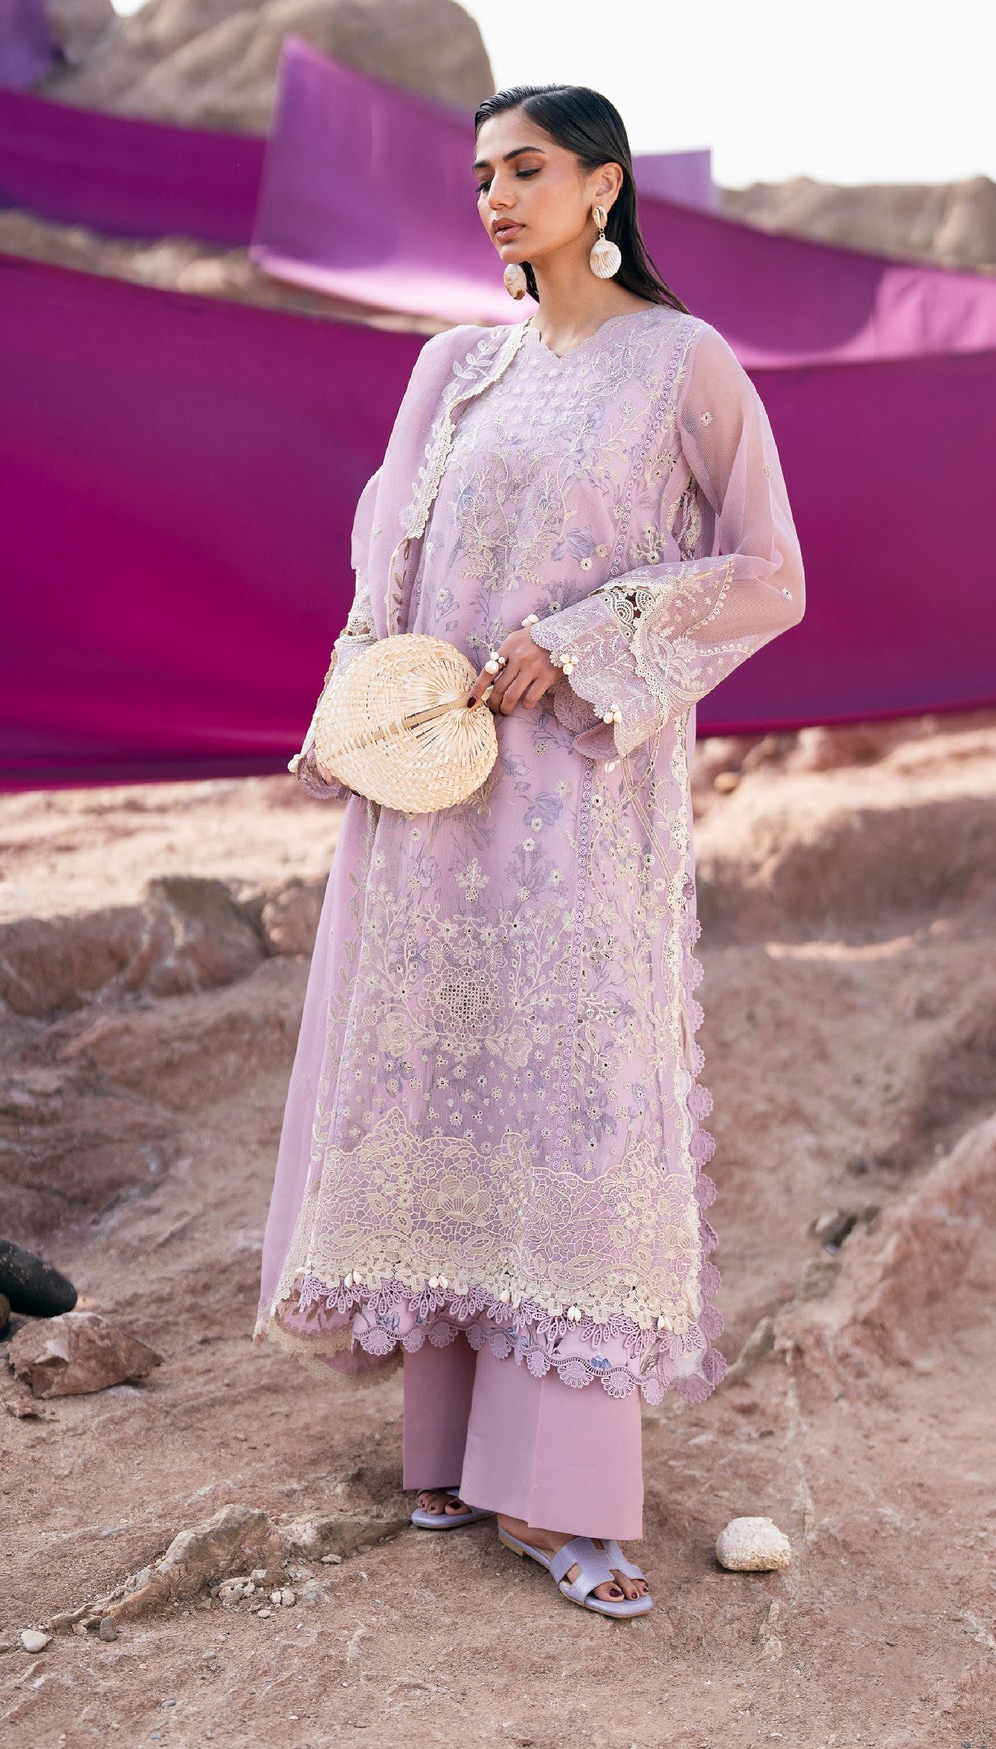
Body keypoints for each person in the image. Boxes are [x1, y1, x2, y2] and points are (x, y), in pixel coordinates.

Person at [256, 82, 804, 1618]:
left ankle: (561, 1494)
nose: (496, 195)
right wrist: (358, 723)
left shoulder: (682, 364)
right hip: (435, 808)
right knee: (448, 1089)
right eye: (482, 173)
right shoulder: (454, 368)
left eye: (529, 167)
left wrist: (578, 638)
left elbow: (765, 573)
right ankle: (445, 1453)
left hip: (576, 806)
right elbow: (386, 568)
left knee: (569, 1108)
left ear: (603, 185)